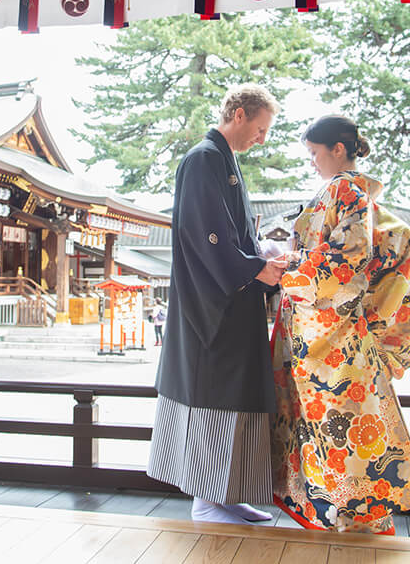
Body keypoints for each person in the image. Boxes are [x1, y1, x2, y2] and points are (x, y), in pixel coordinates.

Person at [271, 115, 410, 534]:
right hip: (353, 342)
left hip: (334, 342)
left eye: (313, 153)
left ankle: (349, 523)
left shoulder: (342, 191)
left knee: (339, 435)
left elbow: (343, 265)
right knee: (357, 436)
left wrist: (286, 267)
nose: (311, 163)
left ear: (337, 150)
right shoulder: (367, 202)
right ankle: (361, 523)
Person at [147, 84, 287, 525]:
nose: (261, 139)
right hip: (212, 305)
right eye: (261, 129)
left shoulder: (223, 162)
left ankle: (225, 495)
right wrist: (251, 268)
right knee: (216, 395)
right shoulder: (204, 159)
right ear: (240, 114)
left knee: (235, 396)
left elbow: (232, 236)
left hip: (232, 297)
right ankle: (207, 499)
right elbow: (205, 235)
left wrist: (257, 259)